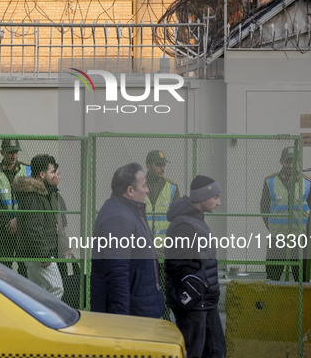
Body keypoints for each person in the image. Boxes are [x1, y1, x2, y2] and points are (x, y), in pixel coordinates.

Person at [90, 163, 165, 318]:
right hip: (133, 317)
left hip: (139, 310)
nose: (147, 190)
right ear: (130, 190)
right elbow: (117, 274)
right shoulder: (118, 218)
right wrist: (122, 322)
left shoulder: (128, 212)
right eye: (144, 186)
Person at [165, 175, 226, 358]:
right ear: (202, 197)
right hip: (195, 304)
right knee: (193, 352)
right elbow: (175, 267)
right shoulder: (185, 225)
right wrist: (194, 291)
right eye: (215, 197)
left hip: (206, 301)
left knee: (216, 350)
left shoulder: (196, 221)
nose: (219, 202)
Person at [13, 154, 63, 298]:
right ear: (42, 174)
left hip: (33, 254)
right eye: (51, 172)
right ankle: (46, 320)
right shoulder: (34, 196)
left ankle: (35, 318)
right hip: (39, 255)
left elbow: (35, 224)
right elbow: (33, 228)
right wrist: (44, 256)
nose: (54, 175)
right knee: (57, 288)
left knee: (37, 293)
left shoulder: (36, 194)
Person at [260, 146, 311, 281]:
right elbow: (264, 208)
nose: (290, 164)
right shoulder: (270, 182)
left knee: (303, 279)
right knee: (272, 276)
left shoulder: (308, 183)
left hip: (300, 239)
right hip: (278, 239)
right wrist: (273, 228)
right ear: (281, 161)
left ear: (299, 162)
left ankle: (301, 303)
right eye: (288, 161)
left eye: (294, 161)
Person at [0, 139, 30, 276]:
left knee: (25, 270)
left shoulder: (28, 170)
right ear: (2, 152)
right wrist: (8, 223)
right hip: (1, 231)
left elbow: (31, 201)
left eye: (16, 152)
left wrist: (18, 220)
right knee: (1, 271)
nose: (13, 156)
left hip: (23, 230)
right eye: (10, 152)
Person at [145, 150, 180, 238]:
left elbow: (178, 217)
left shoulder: (172, 187)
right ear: (148, 166)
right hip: (142, 244)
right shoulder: (137, 187)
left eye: (163, 165)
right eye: (158, 165)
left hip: (164, 246)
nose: (162, 168)